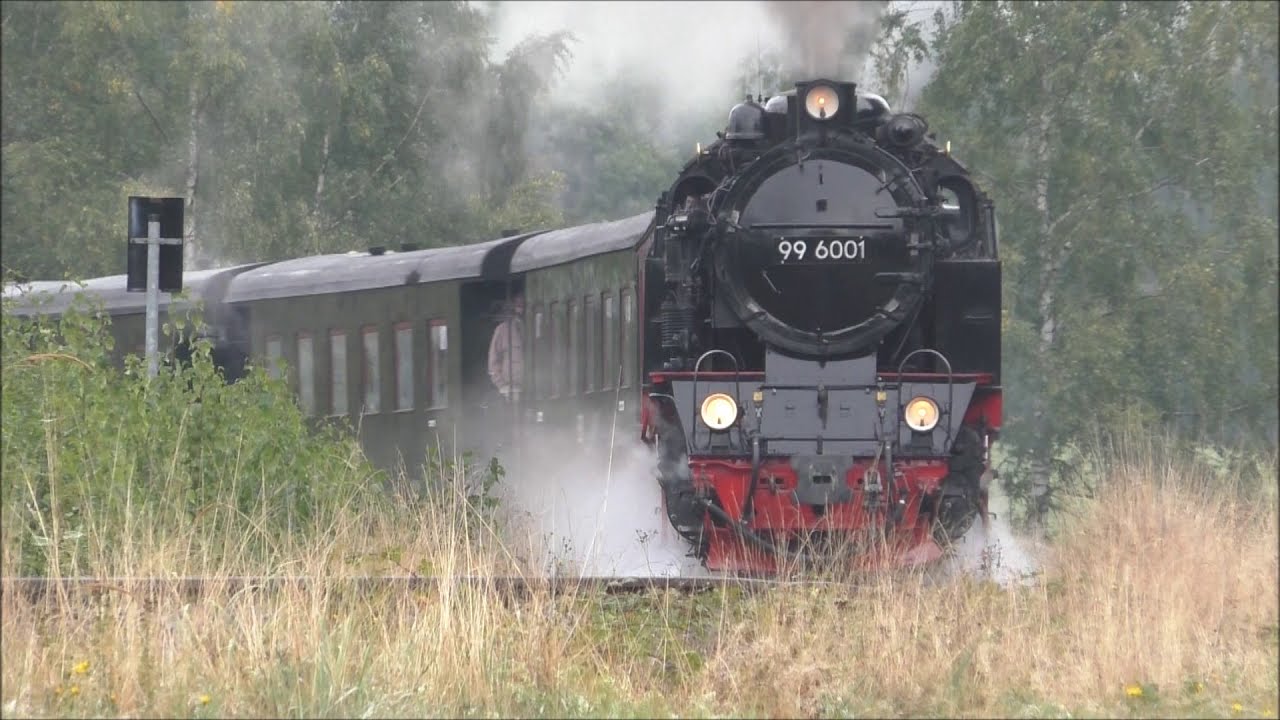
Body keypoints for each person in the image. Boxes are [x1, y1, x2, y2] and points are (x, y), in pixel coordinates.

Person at [487, 294, 524, 403]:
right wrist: (502, 384)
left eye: (522, 305)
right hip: (509, 388)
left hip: (531, 386)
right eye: (518, 305)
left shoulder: (530, 327)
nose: (520, 309)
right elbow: (493, 360)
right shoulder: (502, 330)